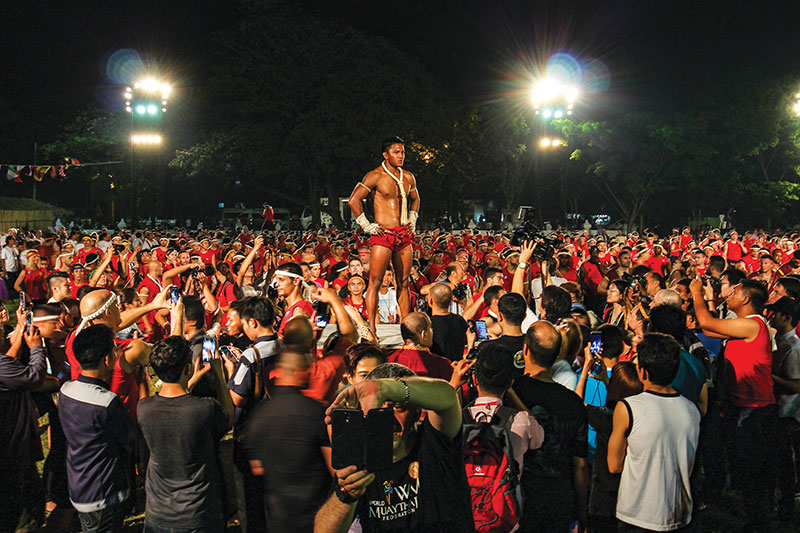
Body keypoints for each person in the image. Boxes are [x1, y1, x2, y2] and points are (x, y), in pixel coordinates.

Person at [314, 363, 474, 532]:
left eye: (397, 407)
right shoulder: (361, 460)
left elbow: (448, 397)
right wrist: (345, 495)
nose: (387, 418)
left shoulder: (433, 443)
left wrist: (380, 389)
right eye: (378, 409)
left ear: (417, 413)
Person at [690, 276, 778, 525]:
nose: (730, 293)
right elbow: (709, 328)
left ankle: (759, 520)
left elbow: (706, 322)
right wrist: (708, 298)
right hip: (739, 406)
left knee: (753, 470)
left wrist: (697, 292)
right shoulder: (744, 323)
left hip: (755, 409)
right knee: (742, 466)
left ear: (747, 298)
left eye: (736, 290)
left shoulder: (754, 325)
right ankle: (752, 515)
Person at [138, 336, 233, 533]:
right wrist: (219, 375)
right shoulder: (204, 408)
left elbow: (174, 401)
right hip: (197, 512)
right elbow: (228, 417)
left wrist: (190, 380)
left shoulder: (144, 409)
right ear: (188, 368)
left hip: (158, 512)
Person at [608, 333, 701, 532]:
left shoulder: (628, 408)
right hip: (679, 512)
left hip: (637, 512)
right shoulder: (692, 409)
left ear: (642, 372)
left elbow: (614, 465)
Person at [510, 321, 589, 531]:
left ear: (525, 350)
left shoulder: (513, 392)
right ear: (556, 356)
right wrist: (582, 511)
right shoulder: (573, 402)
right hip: (559, 501)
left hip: (517, 501)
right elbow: (580, 464)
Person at [59, 325, 138, 533]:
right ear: (106, 359)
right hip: (104, 492)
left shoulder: (67, 391)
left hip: (79, 483)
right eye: (114, 350)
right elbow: (129, 437)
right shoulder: (106, 402)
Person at [244, 349, 332, 532]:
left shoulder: (259, 415)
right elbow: (334, 468)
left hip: (278, 517)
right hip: (315, 515)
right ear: (297, 371)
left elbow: (257, 468)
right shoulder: (316, 413)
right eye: (307, 369)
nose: (310, 373)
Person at [348, 136, 421, 335]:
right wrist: (366, 225)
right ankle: (371, 329)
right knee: (375, 282)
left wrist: (413, 218)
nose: (401, 156)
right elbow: (354, 200)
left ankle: (408, 330)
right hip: (383, 235)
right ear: (385, 154)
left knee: (403, 282)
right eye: (396, 152)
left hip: (403, 234)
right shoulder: (375, 175)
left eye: (403, 152)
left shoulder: (408, 177)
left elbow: (416, 199)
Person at [225, 296, 280, 533]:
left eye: (245, 323)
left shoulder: (251, 354)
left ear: (253, 323)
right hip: (279, 429)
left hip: (252, 436)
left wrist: (230, 370)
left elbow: (236, 398)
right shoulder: (285, 343)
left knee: (251, 499)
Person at [0, 316, 46, 532]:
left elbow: (9, 358)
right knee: (18, 505)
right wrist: (37, 348)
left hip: (14, 445)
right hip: (11, 447)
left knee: (29, 493)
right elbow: (34, 376)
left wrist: (20, 327)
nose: (4, 333)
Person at [765, 296, 800, 515]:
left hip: (789, 415)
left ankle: (787, 507)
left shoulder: (794, 348)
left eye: (775, 314)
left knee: (785, 464)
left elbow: (797, 385)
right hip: (778, 411)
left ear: (786, 318)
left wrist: (768, 377)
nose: (771, 317)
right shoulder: (781, 342)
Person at [388, 312, 454, 380]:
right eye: (430, 328)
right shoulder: (440, 364)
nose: (432, 331)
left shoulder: (389, 360)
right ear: (423, 334)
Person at [428, 282, 468, 361]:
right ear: (451, 300)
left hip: (437, 369)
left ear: (431, 300)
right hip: (457, 367)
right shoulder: (460, 320)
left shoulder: (428, 324)